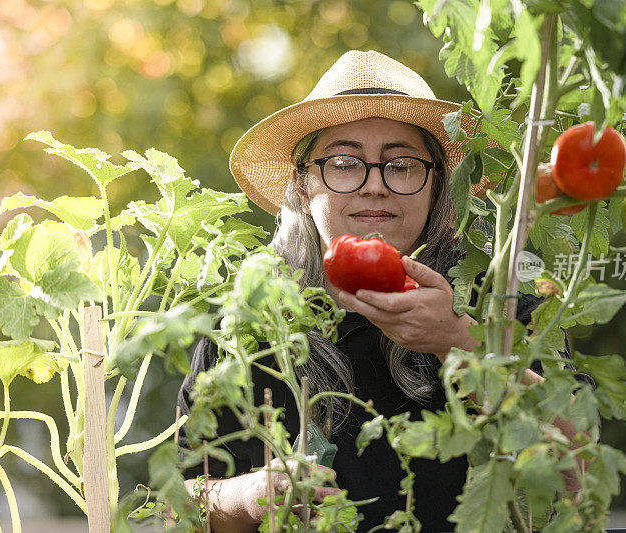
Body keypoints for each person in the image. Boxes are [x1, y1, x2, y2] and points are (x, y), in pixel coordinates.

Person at [178, 50, 584, 532]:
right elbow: (178, 505)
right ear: (303, 184)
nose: (375, 186)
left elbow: (584, 463)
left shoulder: (494, 297)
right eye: (345, 162)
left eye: (402, 164)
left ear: (439, 186)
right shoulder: (245, 325)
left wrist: (461, 340)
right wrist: (243, 496)